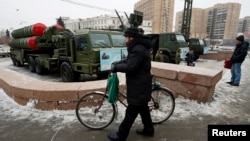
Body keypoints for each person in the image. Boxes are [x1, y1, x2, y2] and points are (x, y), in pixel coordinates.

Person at [107, 27, 154, 141]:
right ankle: (149, 130)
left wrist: (116, 67)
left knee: (131, 112)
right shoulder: (136, 47)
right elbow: (129, 61)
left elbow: (131, 66)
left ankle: (121, 136)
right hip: (141, 84)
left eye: (126, 37)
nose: (125, 39)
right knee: (143, 109)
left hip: (139, 86)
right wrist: (117, 63)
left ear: (131, 37)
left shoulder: (138, 49)